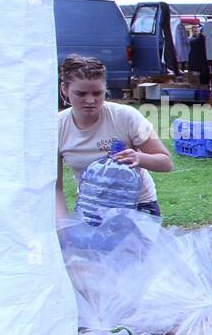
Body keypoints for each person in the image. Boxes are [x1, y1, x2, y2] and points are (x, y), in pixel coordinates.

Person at [56, 54, 173, 219]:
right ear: (64, 89)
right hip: (91, 207)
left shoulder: (126, 116)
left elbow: (166, 163)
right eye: (81, 94)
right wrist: (63, 228)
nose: (90, 100)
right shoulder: (57, 127)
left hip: (137, 206)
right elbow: (56, 189)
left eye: (97, 93)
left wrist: (139, 157)